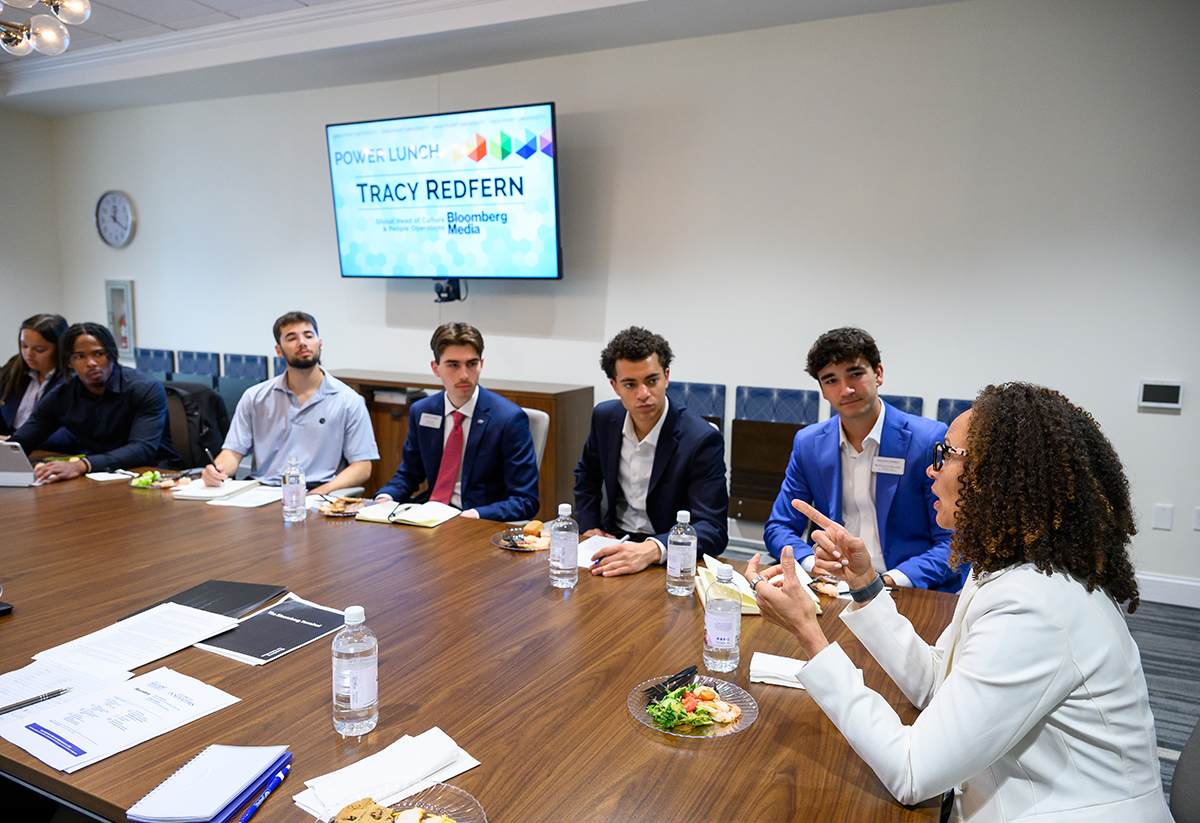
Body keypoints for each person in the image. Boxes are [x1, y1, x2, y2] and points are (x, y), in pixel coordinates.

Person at [745, 383, 1171, 822]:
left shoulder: (1034, 605)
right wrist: (866, 584)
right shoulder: (1005, 568)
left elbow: (911, 773)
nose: (931, 472)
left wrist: (808, 633)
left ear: (996, 473)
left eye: (945, 455)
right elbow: (937, 685)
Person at [764, 327, 963, 592]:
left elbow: (955, 542)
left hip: (910, 588)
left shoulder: (927, 439)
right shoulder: (808, 444)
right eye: (831, 380)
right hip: (837, 587)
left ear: (878, 374)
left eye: (855, 374)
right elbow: (779, 526)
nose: (845, 390)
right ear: (822, 391)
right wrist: (812, 562)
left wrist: (886, 581)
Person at [574, 326, 728, 576]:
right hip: (614, 544)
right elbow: (586, 476)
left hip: (667, 558)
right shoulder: (604, 418)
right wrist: (589, 526)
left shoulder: (701, 439)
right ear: (615, 386)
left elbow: (714, 529)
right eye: (630, 384)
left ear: (666, 377)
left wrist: (654, 548)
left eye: (651, 381)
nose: (643, 394)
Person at [375, 323, 539, 521]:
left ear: (481, 364)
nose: (464, 375)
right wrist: (385, 498)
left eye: (471, 364)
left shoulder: (508, 419)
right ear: (435, 368)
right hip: (429, 516)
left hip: (477, 521)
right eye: (453, 365)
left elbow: (525, 500)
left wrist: (474, 515)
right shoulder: (422, 411)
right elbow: (409, 474)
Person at [202, 312, 377, 495]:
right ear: (279, 350)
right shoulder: (255, 397)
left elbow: (362, 466)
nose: (302, 342)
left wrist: (320, 493)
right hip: (262, 491)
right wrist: (216, 471)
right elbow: (233, 452)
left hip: (316, 491)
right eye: (292, 338)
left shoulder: (349, 400)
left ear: (320, 343)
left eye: (308, 336)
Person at [7, 323, 180, 481]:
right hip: (101, 475)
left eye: (99, 354)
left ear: (111, 354)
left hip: (154, 474)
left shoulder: (145, 388)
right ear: (69, 362)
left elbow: (142, 449)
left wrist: (82, 465)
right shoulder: (62, 395)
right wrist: (6, 455)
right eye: (80, 356)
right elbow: (22, 440)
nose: (91, 363)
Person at [0, 314, 77, 453]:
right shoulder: (13, 368)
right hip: (11, 450)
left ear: (59, 348)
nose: (28, 354)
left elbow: (71, 433)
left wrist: (17, 440)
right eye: (24, 346)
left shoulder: (72, 380)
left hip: (54, 454)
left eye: (39, 349)